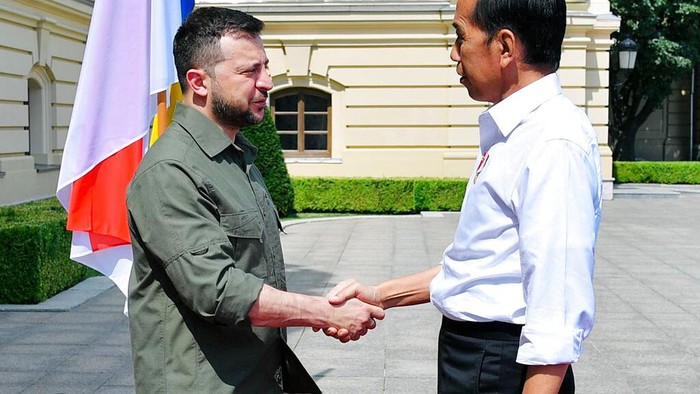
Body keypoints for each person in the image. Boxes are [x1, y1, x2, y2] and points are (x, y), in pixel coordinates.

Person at [323, 0, 602, 392]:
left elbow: (556, 309)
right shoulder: (513, 130)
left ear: (505, 47)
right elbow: (481, 267)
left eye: (460, 36)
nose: (453, 54)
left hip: (502, 365)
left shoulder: (552, 140)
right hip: (477, 357)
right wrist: (379, 295)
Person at [126, 7, 384, 393]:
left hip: (259, 376)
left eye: (265, 67)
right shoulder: (170, 170)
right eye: (249, 72)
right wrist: (323, 312)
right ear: (199, 82)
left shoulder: (237, 156)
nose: (266, 82)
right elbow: (219, 290)